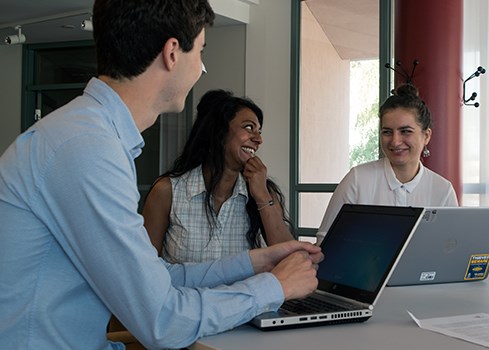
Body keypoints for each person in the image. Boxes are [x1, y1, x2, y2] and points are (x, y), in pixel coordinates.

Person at [0, 1, 322, 349]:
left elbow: (159, 278)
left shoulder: (86, 135)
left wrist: (255, 262)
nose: (201, 68)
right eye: (199, 51)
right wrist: (275, 287)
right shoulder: (86, 148)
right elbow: (162, 319)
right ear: (172, 53)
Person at [143, 90, 294, 263]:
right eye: (249, 127)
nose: (258, 139)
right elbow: (145, 268)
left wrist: (262, 196)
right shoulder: (167, 191)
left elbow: (290, 260)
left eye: (259, 131)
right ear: (219, 132)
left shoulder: (263, 192)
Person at [316, 84, 458, 244]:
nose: (395, 141)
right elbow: (325, 241)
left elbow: (450, 245)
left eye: (405, 131)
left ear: (426, 136)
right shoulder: (357, 180)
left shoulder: (442, 190)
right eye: (387, 132)